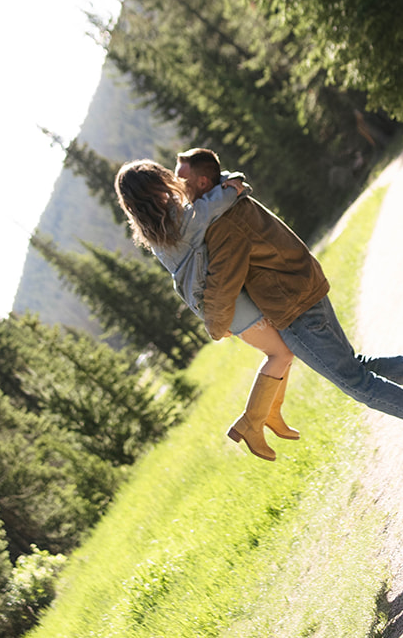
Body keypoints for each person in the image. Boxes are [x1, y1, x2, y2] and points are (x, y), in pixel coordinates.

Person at [194, 159, 403, 475]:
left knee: (357, 383)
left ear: (203, 181)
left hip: (292, 308)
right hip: (305, 287)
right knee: (357, 367)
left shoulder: (222, 224)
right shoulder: (230, 196)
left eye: (182, 177)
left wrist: (216, 326)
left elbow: (222, 286)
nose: (179, 185)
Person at [114, 155, 298, 461]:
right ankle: (252, 422)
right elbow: (212, 207)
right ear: (154, 184)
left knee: (281, 351)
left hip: (217, 300)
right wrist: (233, 186)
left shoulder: (154, 229)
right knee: (282, 353)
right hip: (228, 302)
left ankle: (270, 413)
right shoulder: (176, 220)